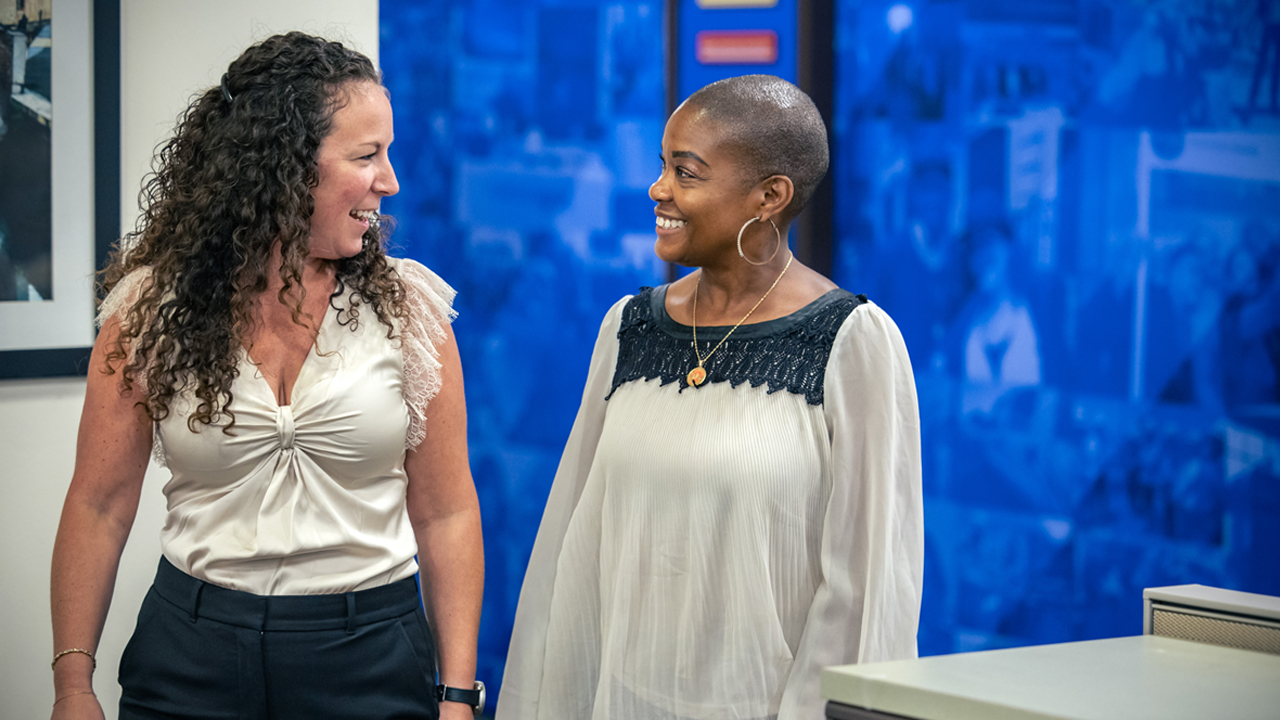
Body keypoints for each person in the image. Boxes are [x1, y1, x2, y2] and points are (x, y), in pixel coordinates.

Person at [49, 33, 484, 720]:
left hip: (370, 655)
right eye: (367, 155)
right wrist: (73, 683)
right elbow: (99, 506)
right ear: (283, 166)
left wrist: (458, 696)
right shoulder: (150, 311)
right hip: (189, 657)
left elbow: (447, 512)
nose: (390, 180)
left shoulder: (409, 310)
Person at [499, 75, 923, 720]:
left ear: (770, 196)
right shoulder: (627, 327)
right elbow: (571, 553)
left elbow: (866, 592)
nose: (659, 189)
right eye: (662, 166)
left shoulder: (852, 342)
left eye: (686, 172)